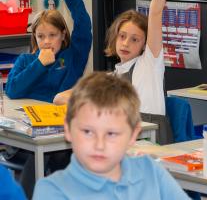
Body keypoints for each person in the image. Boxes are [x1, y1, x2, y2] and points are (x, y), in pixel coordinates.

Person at [55, 0, 174, 145]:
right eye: (122, 36)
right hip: (125, 142)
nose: (126, 43)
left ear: (145, 45)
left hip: (151, 143)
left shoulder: (149, 65)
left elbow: (155, 13)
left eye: (135, 39)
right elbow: (60, 98)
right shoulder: (113, 76)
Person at [32, 72, 189, 199]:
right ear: (68, 129)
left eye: (112, 134)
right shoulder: (52, 191)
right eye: (88, 132)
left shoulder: (151, 171)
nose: (99, 145)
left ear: (133, 135)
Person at [6, 0, 92, 103]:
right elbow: (11, 90)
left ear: (63, 35)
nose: (47, 41)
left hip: (61, 119)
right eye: (41, 36)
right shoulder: (25, 60)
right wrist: (39, 64)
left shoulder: (73, 56)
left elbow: (83, 27)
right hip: (30, 119)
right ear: (34, 36)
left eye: (53, 35)